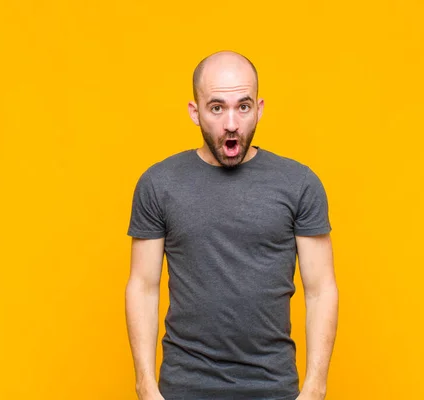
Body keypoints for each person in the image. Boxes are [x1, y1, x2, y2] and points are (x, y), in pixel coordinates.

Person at [125, 50, 338, 400]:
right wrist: (146, 387)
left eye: (243, 106)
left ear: (260, 108)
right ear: (195, 112)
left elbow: (321, 289)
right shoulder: (158, 184)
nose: (231, 124)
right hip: (183, 387)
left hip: (274, 387)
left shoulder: (300, 184)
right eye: (217, 107)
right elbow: (143, 287)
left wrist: (314, 388)